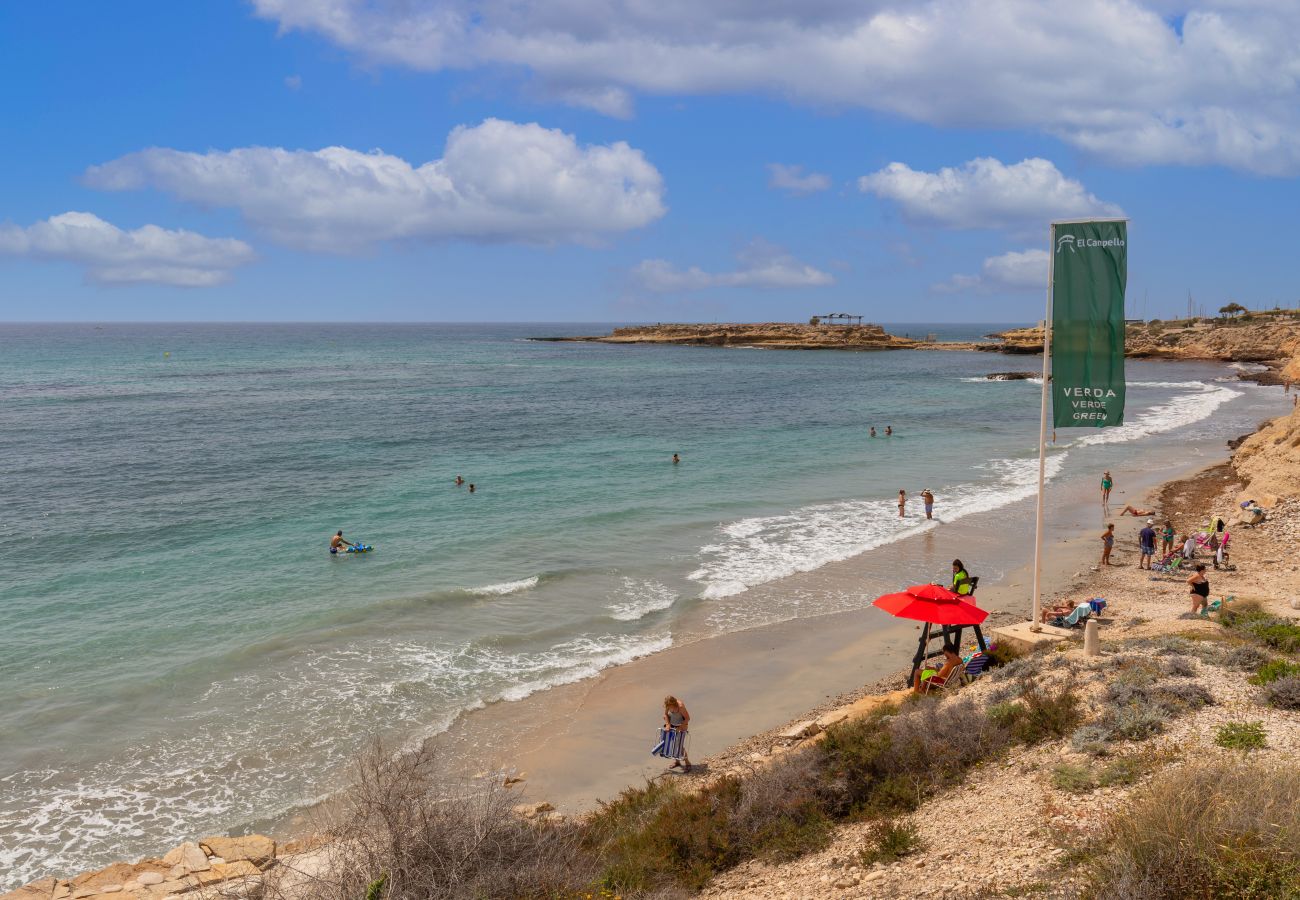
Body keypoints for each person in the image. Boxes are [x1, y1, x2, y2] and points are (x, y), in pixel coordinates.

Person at [662, 695, 692, 772]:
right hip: (672, 725)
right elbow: (665, 714)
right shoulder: (668, 705)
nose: (669, 708)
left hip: (681, 726)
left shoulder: (680, 706)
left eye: (670, 706)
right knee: (673, 744)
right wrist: (668, 724)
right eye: (667, 706)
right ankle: (677, 762)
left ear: (674, 703)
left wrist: (680, 727)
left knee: (679, 745)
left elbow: (687, 718)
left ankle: (688, 763)